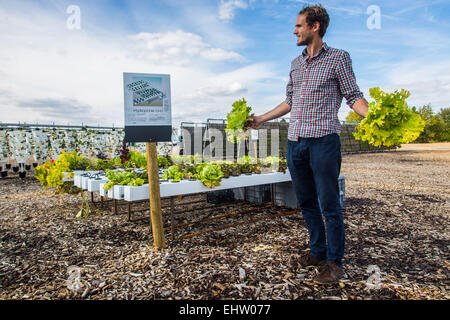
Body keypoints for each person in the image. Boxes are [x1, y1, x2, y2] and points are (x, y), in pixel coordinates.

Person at [252, 4, 369, 284]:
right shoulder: (296, 63)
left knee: (329, 203)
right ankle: (317, 251)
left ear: (315, 27)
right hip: (296, 142)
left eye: (299, 25)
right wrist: (261, 119)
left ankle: (334, 261)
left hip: (324, 141)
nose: (294, 30)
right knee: (305, 201)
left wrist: (376, 118)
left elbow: (353, 95)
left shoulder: (339, 58)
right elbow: (290, 101)